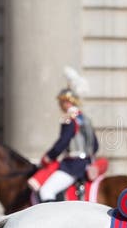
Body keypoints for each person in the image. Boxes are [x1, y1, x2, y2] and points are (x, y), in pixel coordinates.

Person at [28, 72, 98, 202]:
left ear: (67, 102)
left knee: (46, 191)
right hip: (87, 163)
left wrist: (49, 156)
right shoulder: (86, 119)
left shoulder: (69, 119)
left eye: (62, 102)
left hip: (73, 165)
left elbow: (63, 142)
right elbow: (95, 146)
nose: (60, 105)